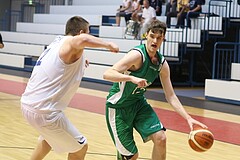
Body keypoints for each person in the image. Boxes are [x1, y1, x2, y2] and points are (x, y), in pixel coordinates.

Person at [103, 19, 207, 160]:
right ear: (146, 35)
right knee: (132, 156)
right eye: (152, 36)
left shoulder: (162, 65)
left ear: (163, 39)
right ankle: (124, 154)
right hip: (118, 108)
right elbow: (107, 74)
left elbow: (170, 96)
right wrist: (131, 78)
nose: (155, 40)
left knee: (161, 138)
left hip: (139, 105)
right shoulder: (136, 55)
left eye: (159, 38)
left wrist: (188, 118)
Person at [20, 16, 119, 160]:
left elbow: (61, 65)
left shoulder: (57, 43)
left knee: (48, 139)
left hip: (27, 105)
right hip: (45, 112)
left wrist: (81, 62)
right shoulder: (73, 42)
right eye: (88, 32)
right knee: (80, 147)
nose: (89, 35)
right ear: (81, 32)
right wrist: (109, 44)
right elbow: (81, 40)